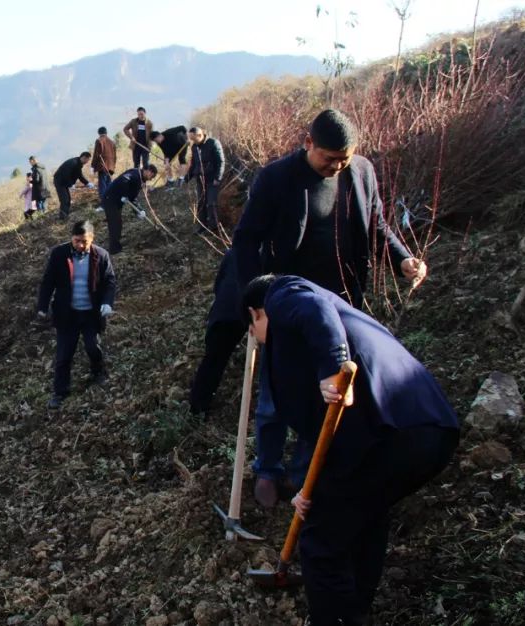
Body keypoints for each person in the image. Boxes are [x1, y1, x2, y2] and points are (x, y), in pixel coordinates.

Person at [232, 109, 429, 507]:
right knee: (275, 393)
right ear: (308, 144)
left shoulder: (361, 172)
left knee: (328, 393)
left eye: (345, 158)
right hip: (285, 306)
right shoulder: (276, 179)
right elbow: (246, 240)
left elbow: (375, 225)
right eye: (329, 159)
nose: (337, 166)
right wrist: (257, 302)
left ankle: (305, 472)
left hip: (342, 306)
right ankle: (267, 468)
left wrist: (401, 258)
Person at [241, 274, 458, 626]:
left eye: (252, 331)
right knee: (364, 519)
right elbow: (322, 433)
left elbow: (312, 309)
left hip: (389, 435)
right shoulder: (327, 327)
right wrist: (306, 488)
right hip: (427, 432)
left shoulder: (284, 294)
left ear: (256, 314)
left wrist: (333, 365)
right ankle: (355, 611)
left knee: (320, 543)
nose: (258, 341)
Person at [36, 220, 118, 410]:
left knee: (93, 347)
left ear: (92, 238)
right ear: (71, 238)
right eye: (76, 241)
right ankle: (60, 392)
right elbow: (48, 281)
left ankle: (98, 373)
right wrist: (42, 305)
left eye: (84, 241)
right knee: (64, 355)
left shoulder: (101, 255)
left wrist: (107, 302)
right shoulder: (59, 254)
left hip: (91, 314)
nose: (80, 245)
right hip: (67, 314)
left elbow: (110, 281)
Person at [188, 248, 246, 414]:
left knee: (213, 359)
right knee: (215, 360)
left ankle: (198, 404)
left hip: (223, 312)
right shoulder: (268, 255)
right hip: (237, 313)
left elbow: (218, 284)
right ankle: (198, 406)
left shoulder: (232, 252)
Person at [101, 164, 158, 254]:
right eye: (152, 176)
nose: (151, 179)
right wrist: (124, 194)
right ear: (148, 171)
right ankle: (114, 249)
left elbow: (132, 198)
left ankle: (116, 246)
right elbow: (124, 180)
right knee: (115, 224)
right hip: (110, 199)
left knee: (117, 223)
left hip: (117, 201)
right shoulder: (135, 174)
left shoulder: (140, 179)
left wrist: (139, 211)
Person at [185, 127, 226, 232]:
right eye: (191, 139)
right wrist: (187, 177)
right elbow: (194, 164)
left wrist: (218, 178)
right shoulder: (194, 147)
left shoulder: (213, 143)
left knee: (211, 203)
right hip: (200, 179)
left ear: (199, 135)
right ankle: (202, 227)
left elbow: (221, 161)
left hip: (212, 179)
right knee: (201, 203)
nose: (192, 141)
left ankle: (214, 227)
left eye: (193, 139)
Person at [52, 152, 94, 220]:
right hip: (59, 181)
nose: (88, 162)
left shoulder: (78, 163)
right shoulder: (73, 163)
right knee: (64, 200)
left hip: (64, 182)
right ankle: (62, 218)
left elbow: (80, 175)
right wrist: (71, 184)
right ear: (84, 157)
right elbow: (66, 174)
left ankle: (65, 215)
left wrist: (87, 183)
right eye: (87, 160)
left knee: (68, 199)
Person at [90, 126, 117, 201]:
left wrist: (92, 166)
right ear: (106, 133)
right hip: (111, 167)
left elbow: (96, 154)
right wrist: (113, 166)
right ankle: (110, 202)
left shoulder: (99, 140)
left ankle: (103, 204)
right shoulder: (112, 142)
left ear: (99, 133)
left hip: (102, 166)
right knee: (109, 185)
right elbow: (115, 157)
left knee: (102, 186)